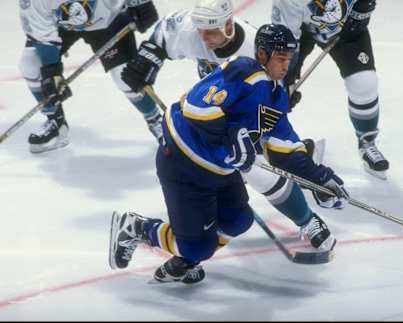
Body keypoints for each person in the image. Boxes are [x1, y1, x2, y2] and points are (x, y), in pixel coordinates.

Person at [109, 23, 349, 284]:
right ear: (261, 55)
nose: (286, 66)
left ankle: (187, 258)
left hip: (220, 169)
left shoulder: (276, 95)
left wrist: (320, 179)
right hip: (183, 162)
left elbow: (284, 151)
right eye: (281, 59)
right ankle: (135, 227)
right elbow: (196, 109)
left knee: (239, 219)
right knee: (197, 248)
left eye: (289, 60)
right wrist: (230, 137)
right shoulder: (241, 71)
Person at [18, 0, 163, 153]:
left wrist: (141, 3)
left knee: (125, 76)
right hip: (61, 24)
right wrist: (51, 71)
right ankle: (56, 122)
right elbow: (40, 31)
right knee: (31, 63)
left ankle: (156, 121)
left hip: (109, 19)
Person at [271, 0, 390, 179]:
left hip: (345, 28)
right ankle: (273, 143)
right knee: (278, 88)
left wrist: (362, 9)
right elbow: (285, 38)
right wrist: (287, 74)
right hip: (300, 31)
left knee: (364, 83)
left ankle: (367, 142)